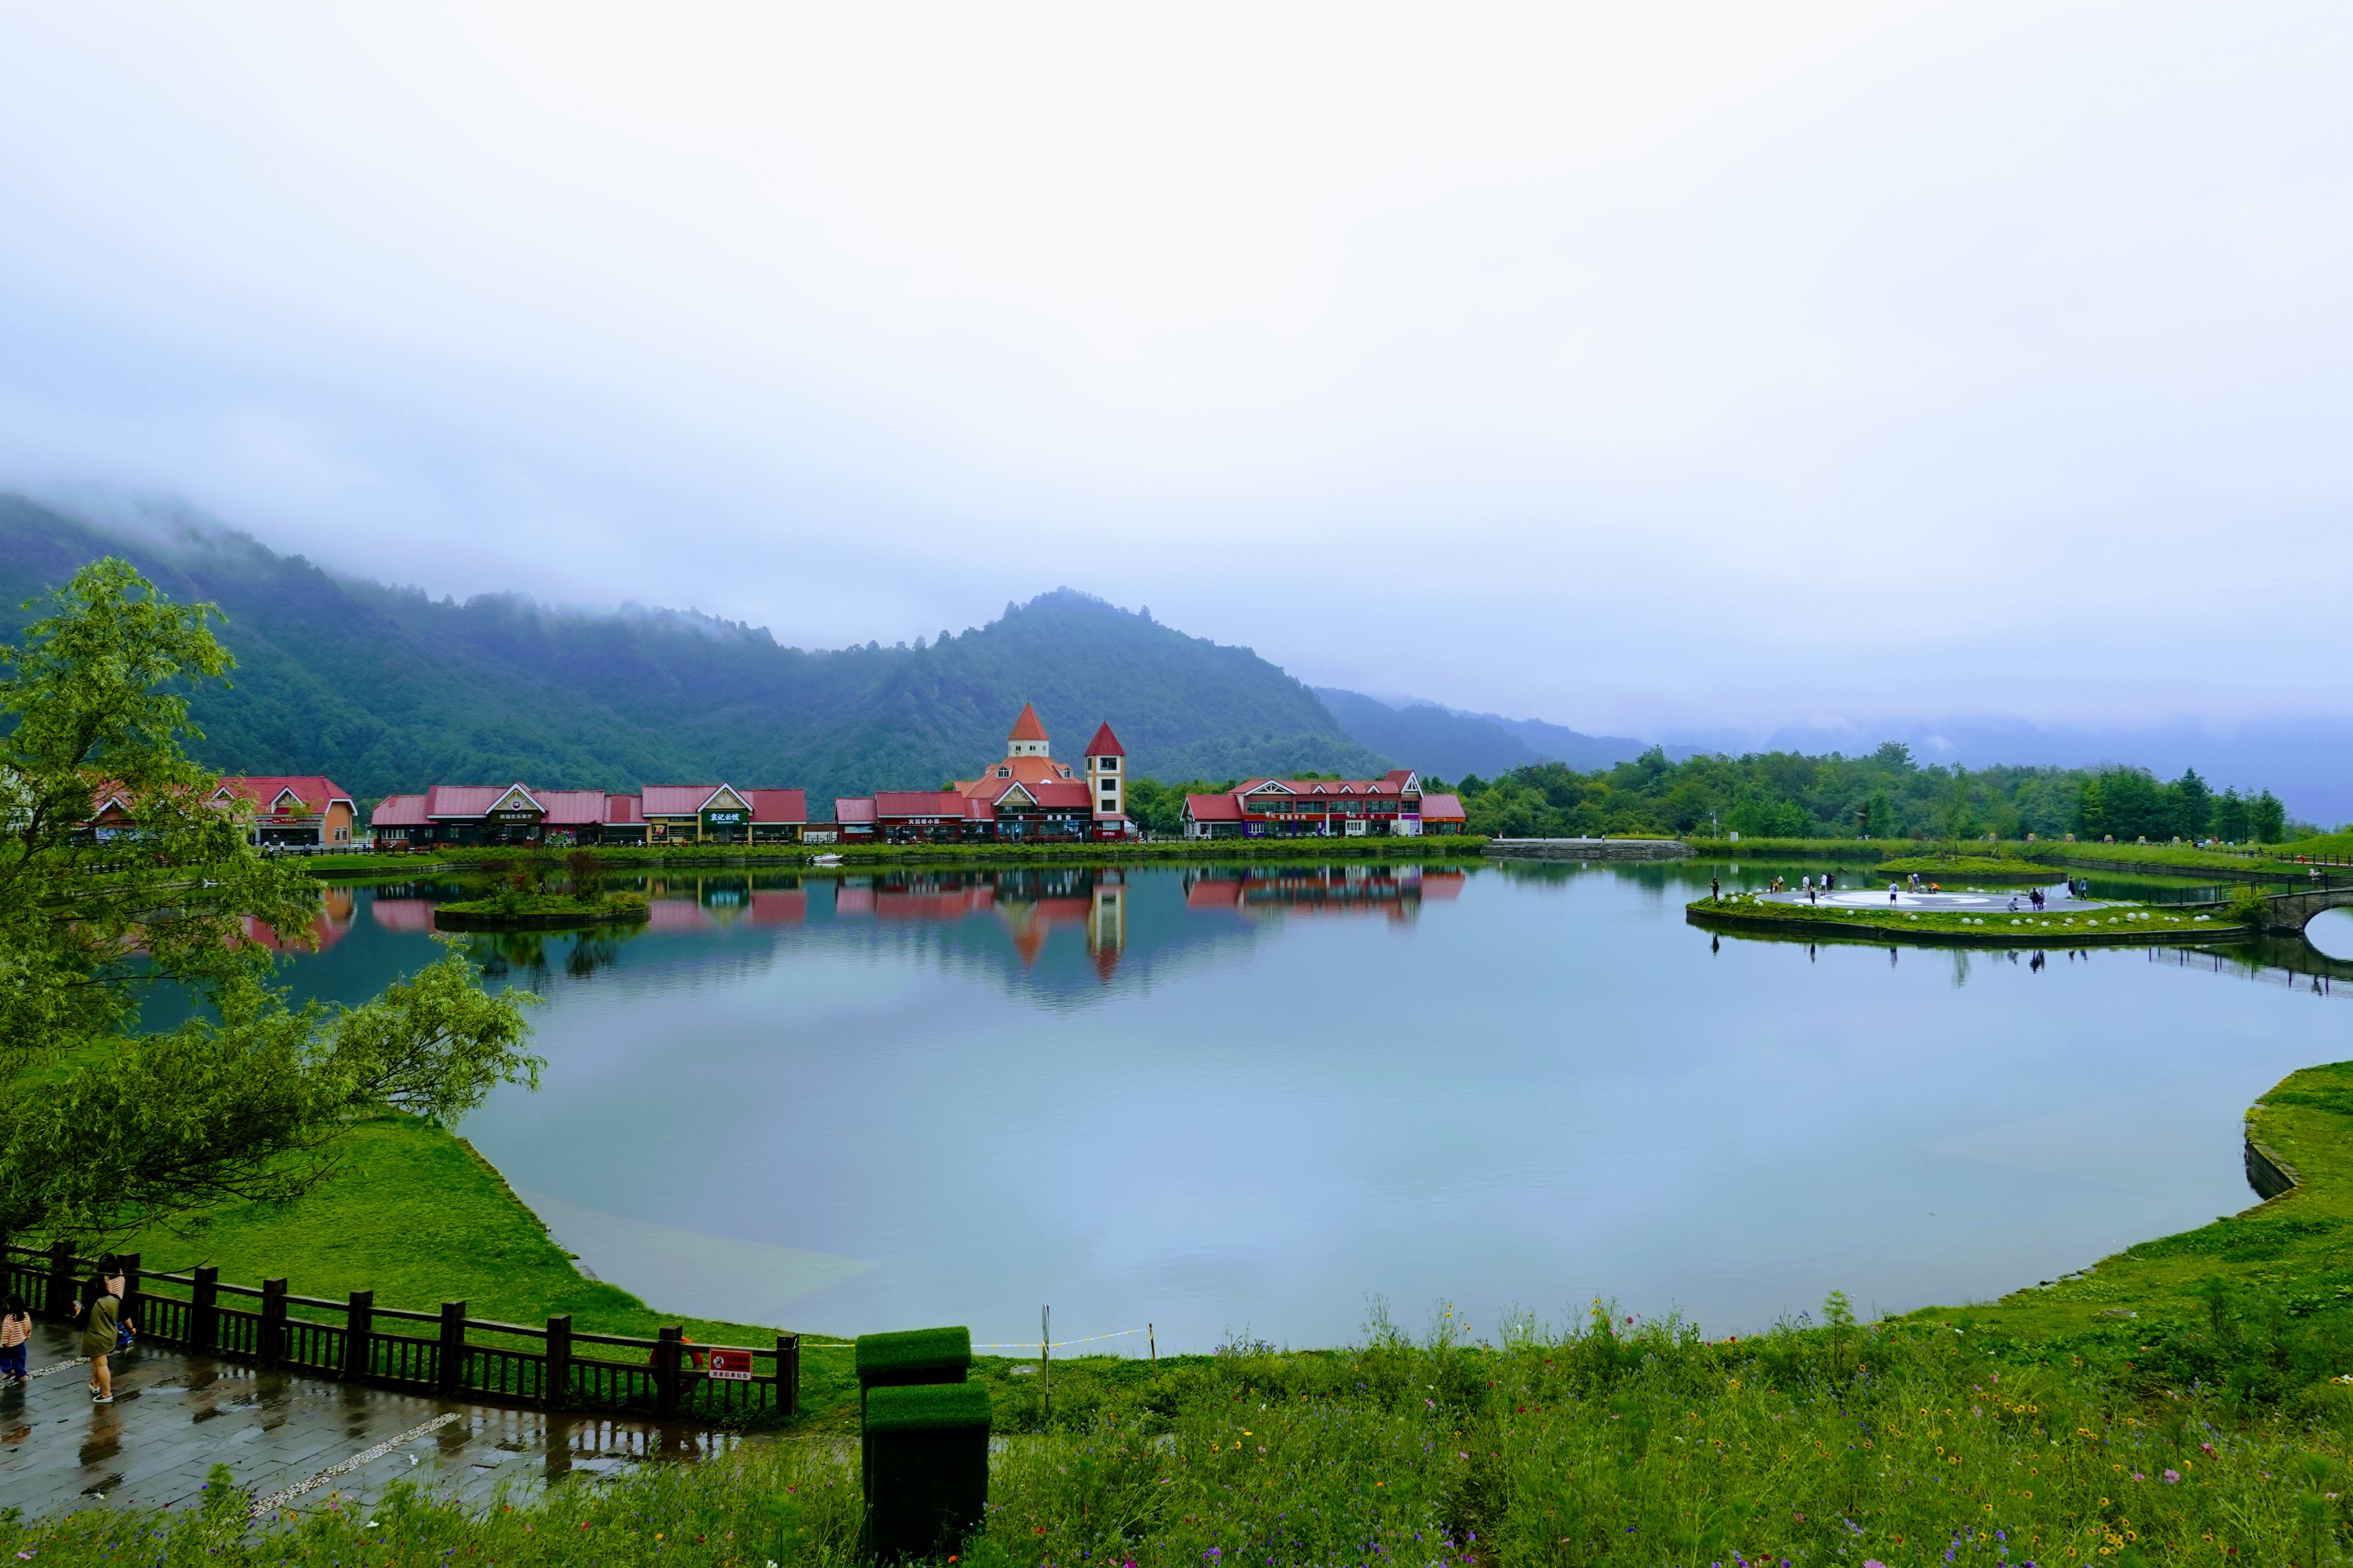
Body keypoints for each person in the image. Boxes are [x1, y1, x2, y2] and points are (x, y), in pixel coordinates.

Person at [77, 1270, 128, 1402]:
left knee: (101, 1365)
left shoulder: (90, 1305)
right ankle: (95, 1384)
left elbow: (80, 1323)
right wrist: (132, 1328)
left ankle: (107, 1394)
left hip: (95, 1338)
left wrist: (78, 1311)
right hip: (110, 1336)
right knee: (98, 1363)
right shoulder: (114, 1299)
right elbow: (124, 1315)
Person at [0, 1297, 28, 1386]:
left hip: (9, 1343)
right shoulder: (25, 1315)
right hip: (20, 1342)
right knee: (19, 1359)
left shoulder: (9, 1318)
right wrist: (27, 1336)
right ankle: (20, 1376)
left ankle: (9, 1370)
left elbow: (6, 1331)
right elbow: (28, 1327)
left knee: (2, 1356)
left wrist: (3, 1343)